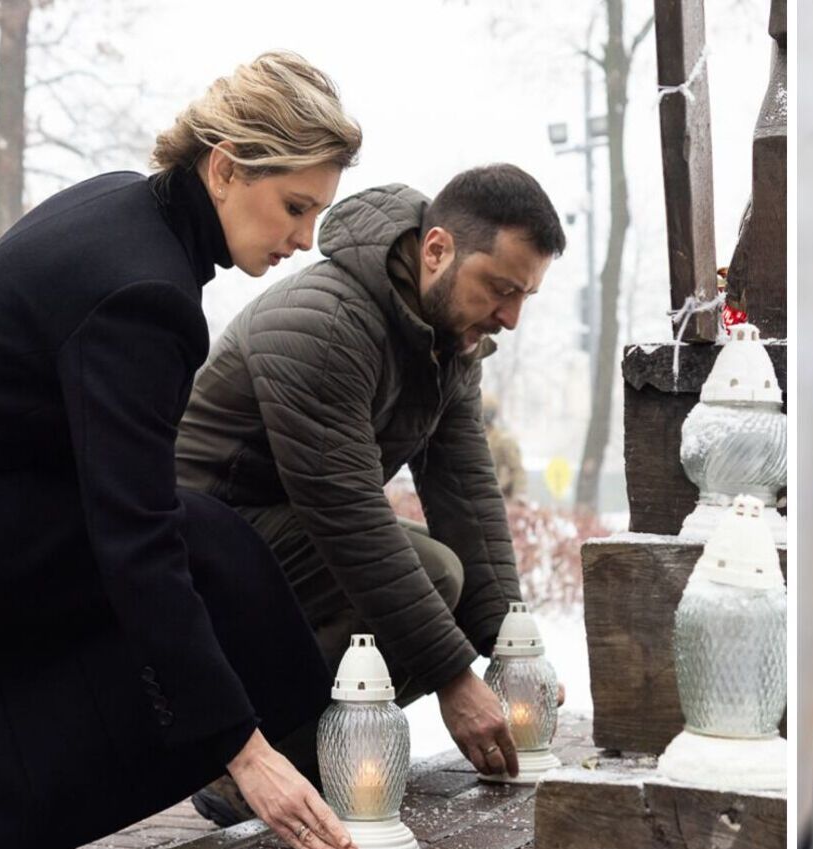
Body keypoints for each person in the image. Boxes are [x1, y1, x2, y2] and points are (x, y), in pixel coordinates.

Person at [0, 52, 366, 849]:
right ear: (224, 167)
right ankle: (5, 830)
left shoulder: (125, 207)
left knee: (199, 551)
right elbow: (138, 539)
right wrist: (240, 746)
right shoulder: (145, 293)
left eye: (317, 214)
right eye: (296, 208)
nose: (302, 240)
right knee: (200, 562)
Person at [173, 165, 563, 816]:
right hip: (192, 535)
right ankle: (243, 767)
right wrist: (452, 679)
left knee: (448, 573)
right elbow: (347, 516)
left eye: (524, 296)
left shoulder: (446, 344)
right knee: (433, 576)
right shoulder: (325, 322)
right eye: (500, 288)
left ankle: (289, 756)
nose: (511, 318)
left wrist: (513, 658)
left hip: (275, 533)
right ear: (436, 249)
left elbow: (466, 496)